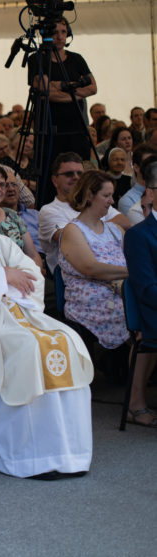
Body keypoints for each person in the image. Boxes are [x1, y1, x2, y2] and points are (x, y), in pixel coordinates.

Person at [0, 180, 93, 478]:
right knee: (25, 348)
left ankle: (69, 454)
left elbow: (31, 276)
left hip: (20, 314)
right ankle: (29, 458)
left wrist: (3, 283)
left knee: (65, 339)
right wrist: (3, 277)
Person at [39, 153, 129, 274]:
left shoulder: (97, 203)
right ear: (55, 180)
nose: (76, 177)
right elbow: (70, 238)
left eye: (80, 173)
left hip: (116, 276)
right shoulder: (49, 210)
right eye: (69, 174)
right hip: (80, 280)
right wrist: (99, 226)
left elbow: (125, 223)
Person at [27, 18, 97, 163]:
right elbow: (44, 91)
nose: (60, 37)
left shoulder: (76, 59)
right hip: (50, 132)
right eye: (55, 32)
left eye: (63, 32)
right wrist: (75, 89)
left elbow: (92, 88)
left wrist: (58, 86)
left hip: (77, 129)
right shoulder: (37, 59)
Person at [123, 163, 157, 427]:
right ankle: (135, 403)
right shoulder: (139, 235)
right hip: (152, 312)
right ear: (151, 193)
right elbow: (147, 289)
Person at [0, 164, 43, 270]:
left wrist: (35, 274)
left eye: (2, 185)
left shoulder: (12, 215)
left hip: (22, 279)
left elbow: (33, 254)